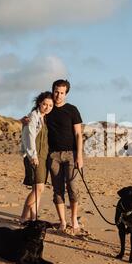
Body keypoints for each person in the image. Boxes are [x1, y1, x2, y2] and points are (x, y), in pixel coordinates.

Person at [46, 79, 84, 234]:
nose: (58, 95)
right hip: (53, 155)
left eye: (62, 93)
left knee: (73, 188)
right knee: (58, 190)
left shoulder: (72, 110)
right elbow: (35, 119)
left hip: (71, 154)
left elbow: (78, 134)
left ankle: (74, 219)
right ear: (52, 90)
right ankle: (62, 221)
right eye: (56, 91)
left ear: (66, 94)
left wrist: (79, 156)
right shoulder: (47, 108)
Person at [19, 91, 54, 223]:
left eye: (50, 105)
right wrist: (33, 156)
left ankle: (33, 218)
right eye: (45, 104)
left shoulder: (45, 118)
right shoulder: (33, 116)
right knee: (38, 189)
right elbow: (30, 137)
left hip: (44, 157)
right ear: (39, 103)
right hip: (34, 156)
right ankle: (23, 217)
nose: (47, 107)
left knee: (38, 189)